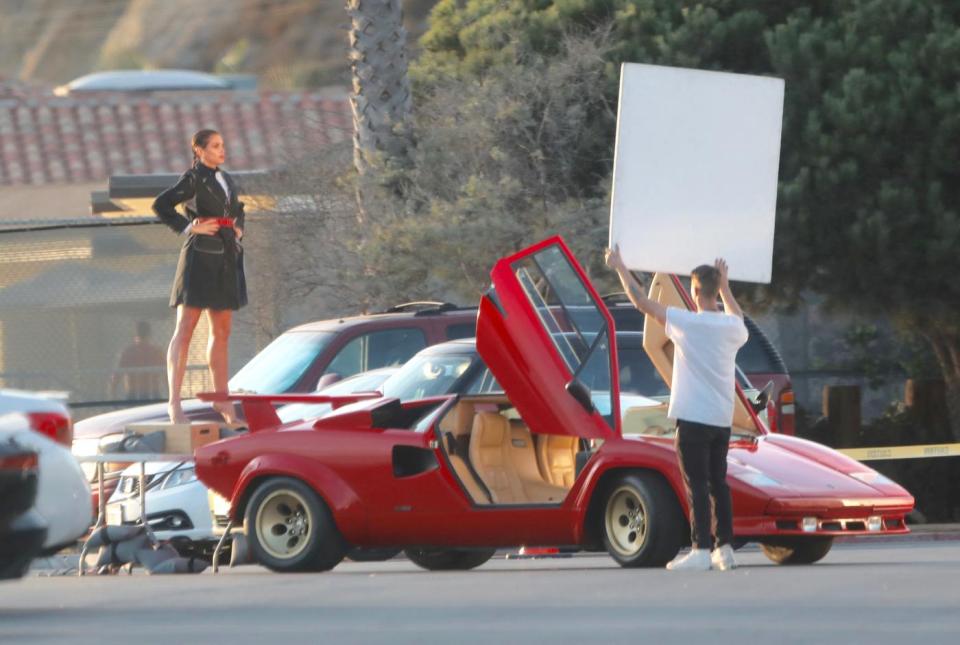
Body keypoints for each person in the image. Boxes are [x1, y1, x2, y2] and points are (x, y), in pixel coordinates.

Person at [605, 246, 748, 571]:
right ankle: (724, 549)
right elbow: (738, 316)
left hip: (693, 418)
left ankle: (699, 550)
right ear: (716, 289)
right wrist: (726, 287)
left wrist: (620, 267)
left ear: (695, 292)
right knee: (718, 484)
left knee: (695, 483)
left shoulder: (686, 323)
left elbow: (641, 302)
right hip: (721, 418)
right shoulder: (731, 329)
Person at [153, 129, 247, 424]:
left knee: (223, 332)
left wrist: (238, 227)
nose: (222, 150)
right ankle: (174, 404)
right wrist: (189, 227)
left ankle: (223, 401)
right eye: (216, 146)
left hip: (227, 257)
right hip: (199, 258)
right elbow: (162, 205)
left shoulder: (226, 178)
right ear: (199, 150)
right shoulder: (193, 178)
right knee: (186, 329)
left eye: (223, 145)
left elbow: (238, 208)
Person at [110, 321, 165, 401]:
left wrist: (112, 392)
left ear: (135, 335)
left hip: (133, 393)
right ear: (150, 334)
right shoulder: (156, 352)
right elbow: (166, 374)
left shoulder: (128, 352)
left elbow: (117, 375)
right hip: (153, 393)